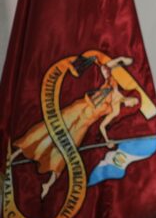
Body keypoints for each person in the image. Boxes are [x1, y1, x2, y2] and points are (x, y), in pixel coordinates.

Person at [10, 56, 139, 199]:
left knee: (66, 150)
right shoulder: (113, 86)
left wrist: (107, 140)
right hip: (78, 110)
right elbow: (106, 66)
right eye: (134, 101)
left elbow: (102, 126)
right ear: (130, 95)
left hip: (83, 124)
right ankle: (16, 153)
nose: (131, 104)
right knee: (47, 131)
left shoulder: (116, 110)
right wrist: (121, 58)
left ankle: (48, 184)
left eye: (133, 105)